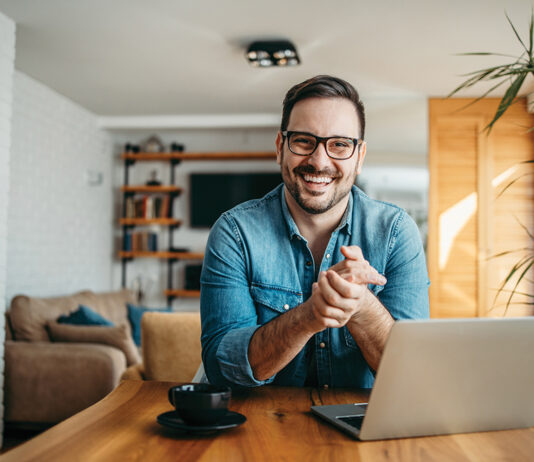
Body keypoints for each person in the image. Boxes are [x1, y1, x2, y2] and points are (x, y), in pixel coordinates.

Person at [200, 75, 429, 389]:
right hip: (259, 431)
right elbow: (222, 369)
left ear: (359, 157)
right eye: (304, 141)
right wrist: (309, 315)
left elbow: (412, 376)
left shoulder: (396, 233)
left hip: (363, 429)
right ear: (281, 147)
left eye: (339, 144)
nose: (319, 161)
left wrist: (362, 306)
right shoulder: (234, 232)